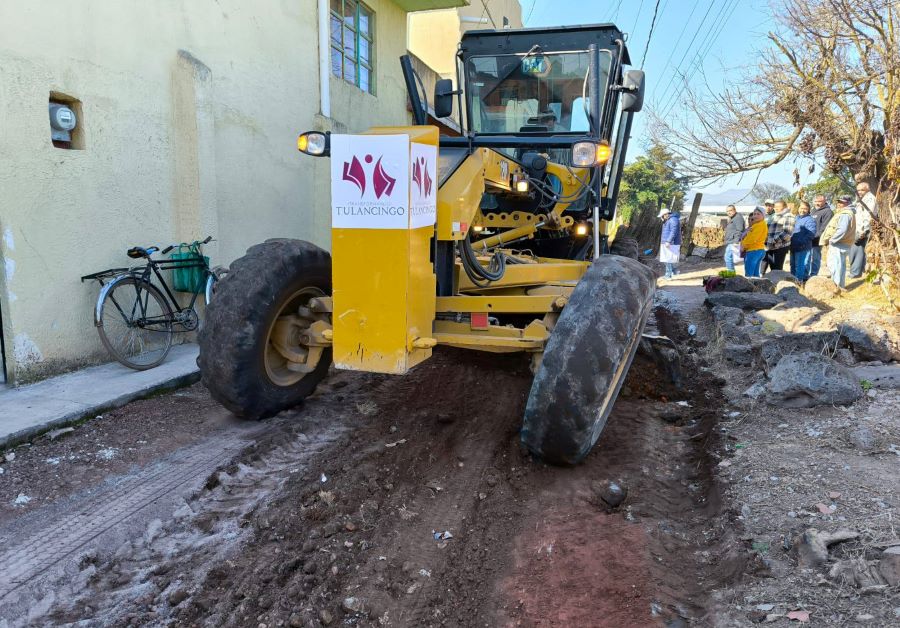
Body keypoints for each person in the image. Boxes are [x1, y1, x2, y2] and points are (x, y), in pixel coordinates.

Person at [821, 195, 856, 289]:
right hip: (843, 243)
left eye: (842, 202)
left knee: (835, 265)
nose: (839, 204)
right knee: (841, 266)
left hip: (838, 243)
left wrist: (832, 240)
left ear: (848, 203)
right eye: (839, 202)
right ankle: (840, 286)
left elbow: (842, 230)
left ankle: (835, 287)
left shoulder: (845, 214)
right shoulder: (849, 213)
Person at [849, 182, 875, 278]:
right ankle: (858, 272)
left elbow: (869, 216)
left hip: (863, 229)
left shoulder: (870, 199)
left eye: (862, 190)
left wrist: (863, 231)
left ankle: (855, 273)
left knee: (856, 250)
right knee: (858, 251)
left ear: (867, 189)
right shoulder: (860, 199)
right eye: (858, 190)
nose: (859, 192)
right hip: (858, 228)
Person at [763, 199, 795, 272]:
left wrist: (773, 241)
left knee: (777, 269)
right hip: (771, 246)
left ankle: (778, 283)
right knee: (772, 268)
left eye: (778, 206)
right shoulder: (776, 216)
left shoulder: (788, 216)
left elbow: (787, 233)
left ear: (784, 207)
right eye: (775, 206)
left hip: (780, 246)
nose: (776, 208)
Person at [789, 201, 817, 282]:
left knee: (800, 265)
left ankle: (799, 282)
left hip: (802, 247)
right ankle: (792, 281)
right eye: (801, 208)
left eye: (805, 208)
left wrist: (801, 243)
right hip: (793, 246)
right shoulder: (796, 218)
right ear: (798, 209)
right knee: (792, 265)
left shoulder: (810, 220)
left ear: (808, 210)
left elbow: (811, 234)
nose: (803, 210)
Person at [809, 193, 833, 277]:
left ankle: (813, 275)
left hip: (817, 239)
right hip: (808, 239)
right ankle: (807, 274)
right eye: (816, 201)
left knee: (815, 258)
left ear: (824, 201)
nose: (817, 203)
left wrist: (814, 236)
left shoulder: (827, 211)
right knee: (808, 258)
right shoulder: (812, 210)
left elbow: (825, 228)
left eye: (819, 201)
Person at [741, 207, 767, 277]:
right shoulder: (757, 224)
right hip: (757, 250)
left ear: (763, 215)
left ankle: (749, 287)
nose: (755, 216)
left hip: (754, 250)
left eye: (758, 214)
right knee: (755, 273)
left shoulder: (760, 225)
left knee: (749, 273)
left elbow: (753, 238)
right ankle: (757, 287)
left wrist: (744, 245)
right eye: (754, 214)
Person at [658, 207, 682, 279]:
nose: (661, 218)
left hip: (671, 242)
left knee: (667, 258)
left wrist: (668, 241)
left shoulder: (673, 220)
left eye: (662, 216)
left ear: (665, 215)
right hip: (667, 242)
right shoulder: (669, 220)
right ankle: (674, 271)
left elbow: (673, 232)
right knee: (667, 258)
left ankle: (668, 275)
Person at [723, 204, 745, 272]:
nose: (729, 212)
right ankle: (731, 273)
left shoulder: (738, 218)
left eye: (730, 210)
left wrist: (736, 241)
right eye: (727, 211)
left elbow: (739, 230)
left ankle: (731, 273)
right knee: (728, 258)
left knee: (728, 258)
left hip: (733, 242)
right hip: (731, 241)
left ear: (735, 210)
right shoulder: (733, 218)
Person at [759, 199, 777, 273]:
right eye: (767, 206)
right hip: (763, 241)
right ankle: (762, 274)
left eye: (770, 206)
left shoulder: (776, 216)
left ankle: (773, 274)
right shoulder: (762, 216)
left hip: (772, 240)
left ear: (773, 206)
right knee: (764, 258)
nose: (768, 207)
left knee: (772, 259)